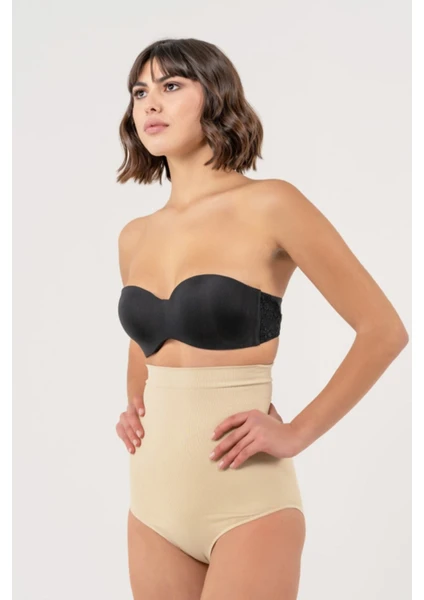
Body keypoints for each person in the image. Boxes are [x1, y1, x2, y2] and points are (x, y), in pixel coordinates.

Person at [114, 38, 409, 600]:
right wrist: (134, 404)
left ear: (215, 95)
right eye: (139, 91)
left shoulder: (272, 204)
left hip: (246, 502)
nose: (150, 103)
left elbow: (383, 330)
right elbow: (144, 339)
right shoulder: (135, 236)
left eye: (171, 86)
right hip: (151, 503)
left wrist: (296, 432)